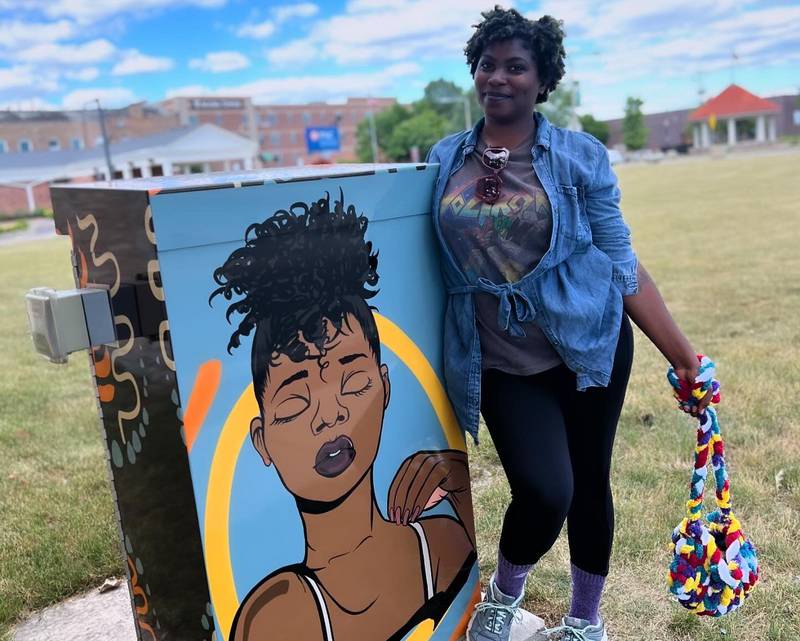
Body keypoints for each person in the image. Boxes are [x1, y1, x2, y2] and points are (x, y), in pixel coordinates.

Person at [426, 7, 713, 641]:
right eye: (487, 64)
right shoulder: (443, 160)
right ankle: (504, 595)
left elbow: (620, 261)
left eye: (515, 66)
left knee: (589, 481)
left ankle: (586, 621)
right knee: (544, 489)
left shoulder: (579, 156)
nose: (497, 77)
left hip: (590, 344)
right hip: (499, 358)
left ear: (542, 79)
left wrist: (683, 355)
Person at [210, 191, 477, 641]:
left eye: (353, 384)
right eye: (295, 403)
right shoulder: (277, 618)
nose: (329, 415)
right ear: (262, 441)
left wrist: (459, 483)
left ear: (385, 387)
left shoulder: (441, 550)